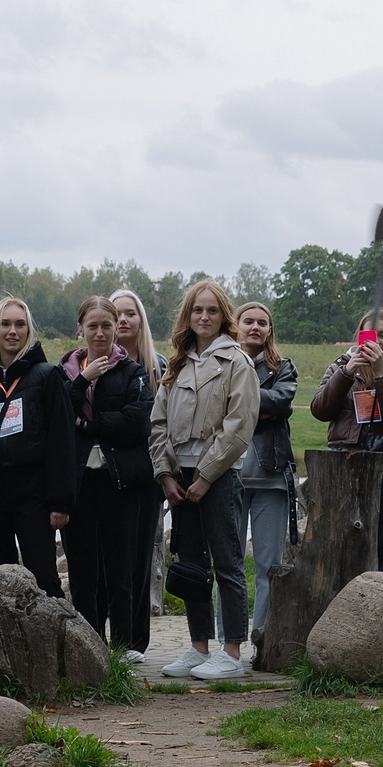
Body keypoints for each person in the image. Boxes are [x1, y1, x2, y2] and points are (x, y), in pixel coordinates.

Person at [149, 279, 260, 681]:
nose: (205, 317)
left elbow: (239, 426)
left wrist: (207, 476)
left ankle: (231, 652)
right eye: (198, 310)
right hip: (179, 476)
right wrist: (164, 473)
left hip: (220, 475)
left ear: (223, 316)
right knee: (191, 564)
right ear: (188, 316)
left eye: (213, 310)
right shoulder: (176, 365)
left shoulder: (237, 363)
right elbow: (158, 422)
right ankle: (199, 648)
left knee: (228, 562)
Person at [59, 295, 154, 650]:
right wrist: (83, 380)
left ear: (117, 328)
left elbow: (136, 421)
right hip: (79, 482)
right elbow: (57, 416)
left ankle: (125, 649)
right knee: (83, 573)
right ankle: (90, 648)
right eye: (92, 326)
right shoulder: (65, 371)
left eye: (106, 326)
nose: (99, 333)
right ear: (80, 328)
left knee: (121, 570)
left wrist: (88, 423)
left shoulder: (131, 371)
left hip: (120, 480)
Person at [0, 296, 74, 595]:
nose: (12, 331)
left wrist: (60, 502)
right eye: (5, 324)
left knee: (44, 577)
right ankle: (2, 643)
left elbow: (61, 442)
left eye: (20, 324)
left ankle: (53, 640)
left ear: (29, 331)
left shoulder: (46, 376)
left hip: (34, 493)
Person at [311, 308, 383, 572]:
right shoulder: (340, 367)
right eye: (369, 334)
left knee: (381, 555)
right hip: (341, 467)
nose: (376, 341)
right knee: (337, 551)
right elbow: (320, 410)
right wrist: (347, 372)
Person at [232, 302, 300, 635]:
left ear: (270, 329)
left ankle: (262, 639)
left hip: (270, 478)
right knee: (228, 567)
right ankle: (228, 640)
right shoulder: (222, 364)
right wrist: (261, 404)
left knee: (267, 567)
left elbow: (281, 403)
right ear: (237, 324)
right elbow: (216, 406)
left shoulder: (283, 368)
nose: (255, 327)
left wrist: (239, 400)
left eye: (262, 322)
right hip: (226, 476)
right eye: (248, 321)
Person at [108, 288, 163, 661]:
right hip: (105, 475)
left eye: (131, 313)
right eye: (117, 314)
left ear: (141, 319)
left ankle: (134, 644)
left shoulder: (157, 366)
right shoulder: (91, 364)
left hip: (146, 475)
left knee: (140, 558)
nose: (124, 320)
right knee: (107, 560)